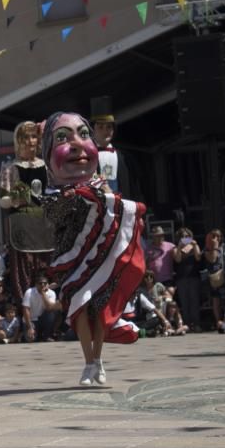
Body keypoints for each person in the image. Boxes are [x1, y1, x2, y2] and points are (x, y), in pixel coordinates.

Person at [39, 112, 146, 387]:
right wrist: (74, 197)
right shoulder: (52, 192)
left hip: (101, 256)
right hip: (70, 258)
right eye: (62, 138)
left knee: (98, 309)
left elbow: (118, 210)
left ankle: (96, 360)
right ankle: (88, 362)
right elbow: (54, 216)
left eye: (83, 135)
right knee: (79, 307)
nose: (76, 144)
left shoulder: (100, 185)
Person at [0, 120, 50, 304]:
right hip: (22, 226)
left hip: (45, 227)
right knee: (25, 269)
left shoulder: (47, 166)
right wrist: (14, 199)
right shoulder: (9, 168)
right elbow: (2, 200)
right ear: (18, 141)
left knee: (47, 266)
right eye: (25, 137)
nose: (30, 141)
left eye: (34, 136)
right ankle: (28, 312)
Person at [172, 228, 203, 332]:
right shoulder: (176, 248)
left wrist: (194, 246)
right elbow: (177, 259)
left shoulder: (194, 246)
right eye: (182, 237)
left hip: (194, 276)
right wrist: (180, 246)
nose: (185, 238)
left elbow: (198, 258)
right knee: (184, 302)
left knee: (194, 301)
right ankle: (187, 324)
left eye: (187, 236)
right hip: (181, 278)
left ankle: (197, 323)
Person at [22, 276, 62, 342]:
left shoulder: (51, 293)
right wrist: (30, 327)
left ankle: (47, 335)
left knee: (53, 312)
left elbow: (49, 308)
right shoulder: (29, 292)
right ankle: (35, 334)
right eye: (40, 283)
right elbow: (26, 310)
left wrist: (43, 293)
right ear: (36, 284)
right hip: (31, 320)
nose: (42, 285)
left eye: (45, 283)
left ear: (48, 284)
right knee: (31, 339)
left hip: (43, 319)